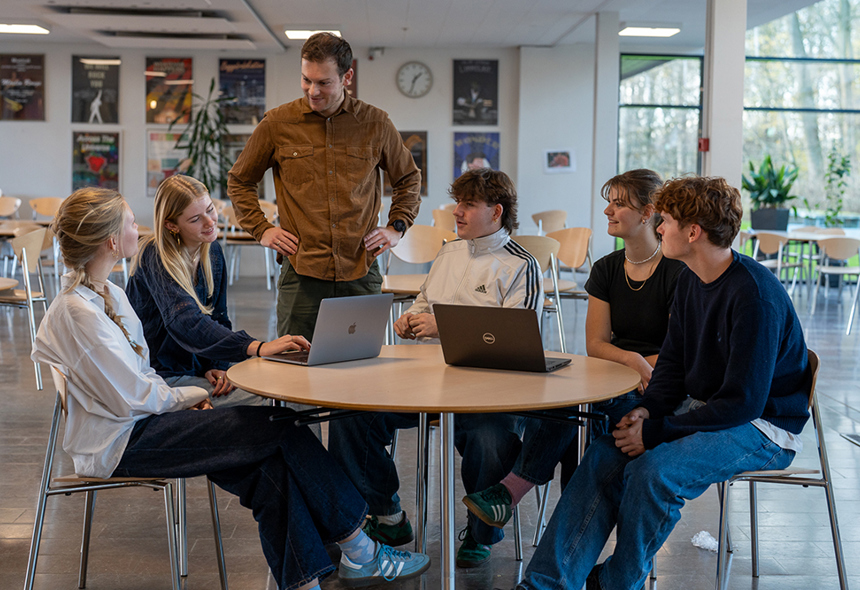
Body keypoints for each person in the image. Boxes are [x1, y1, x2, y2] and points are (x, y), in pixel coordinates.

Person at [31, 187, 430, 590]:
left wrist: (188, 393)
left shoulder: (108, 294)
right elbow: (133, 397)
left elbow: (140, 376)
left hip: (145, 421)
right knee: (281, 429)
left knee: (270, 471)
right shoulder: (78, 313)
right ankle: (363, 550)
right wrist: (191, 397)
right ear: (112, 241)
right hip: (124, 441)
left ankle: (311, 579)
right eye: (132, 223)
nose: (140, 228)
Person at [517, 176, 811, 590]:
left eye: (666, 221)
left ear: (693, 232)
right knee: (605, 453)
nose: (659, 228)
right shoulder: (691, 279)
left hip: (764, 427)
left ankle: (617, 582)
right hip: (710, 409)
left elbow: (743, 403)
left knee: (654, 472)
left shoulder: (754, 294)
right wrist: (645, 410)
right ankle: (544, 584)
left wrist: (656, 431)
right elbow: (672, 365)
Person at [328, 168, 542, 569]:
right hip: (428, 379)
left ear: (496, 212)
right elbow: (426, 301)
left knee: (491, 440)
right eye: (458, 203)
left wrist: (442, 326)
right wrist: (412, 317)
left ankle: (481, 532)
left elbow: (517, 339)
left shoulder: (521, 265)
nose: (456, 212)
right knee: (351, 416)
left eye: (468, 205)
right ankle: (387, 517)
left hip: (490, 391)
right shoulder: (449, 252)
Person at [464, 169, 684, 529]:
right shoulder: (606, 269)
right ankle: (566, 527)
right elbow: (595, 345)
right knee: (570, 402)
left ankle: (512, 491)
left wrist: (632, 366)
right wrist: (631, 359)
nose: (607, 211)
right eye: (609, 203)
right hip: (619, 375)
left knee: (578, 413)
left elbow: (676, 355)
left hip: (655, 388)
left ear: (647, 213)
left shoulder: (677, 272)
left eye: (619, 204)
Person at [227, 32, 421, 340]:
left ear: (347, 77)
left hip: (360, 270)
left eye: (324, 82)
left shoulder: (376, 123)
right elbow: (240, 180)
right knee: (295, 361)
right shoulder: (277, 124)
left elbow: (408, 178)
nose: (313, 91)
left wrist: (397, 227)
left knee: (361, 361)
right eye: (306, 80)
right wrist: (262, 229)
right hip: (301, 273)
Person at [126, 175, 304, 409]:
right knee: (276, 399)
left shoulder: (212, 251)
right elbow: (186, 322)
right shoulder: (155, 255)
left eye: (210, 209)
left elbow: (219, 317)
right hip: (161, 376)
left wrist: (217, 364)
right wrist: (257, 347)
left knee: (292, 384)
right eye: (195, 219)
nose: (210, 222)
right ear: (171, 225)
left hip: (196, 370)